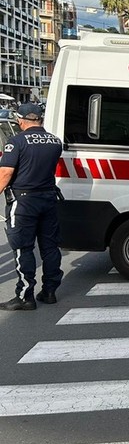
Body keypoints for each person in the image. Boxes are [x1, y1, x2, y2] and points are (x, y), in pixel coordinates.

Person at [0, 103, 65, 310]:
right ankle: (50, 291)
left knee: (23, 248)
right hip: (48, 199)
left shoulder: (16, 142)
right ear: (40, 119)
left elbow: (5, 173)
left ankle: (25, 296)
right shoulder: (55, 141)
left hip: (24, 202)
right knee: (50, 247)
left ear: (20, 120)